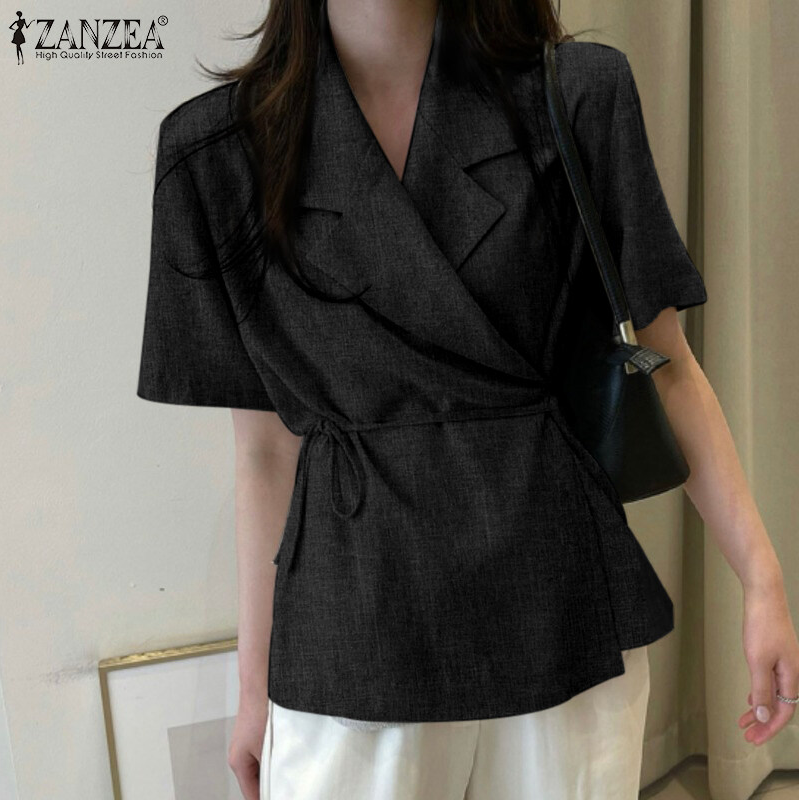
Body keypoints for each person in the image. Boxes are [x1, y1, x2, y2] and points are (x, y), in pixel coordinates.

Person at [136, 1, 799, 798]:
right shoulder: (216, 154)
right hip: (354, 628)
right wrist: (255, 692)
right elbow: (267, 449)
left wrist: (762, 579)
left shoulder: (576, 94)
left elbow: (665, 363)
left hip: (558, 608)